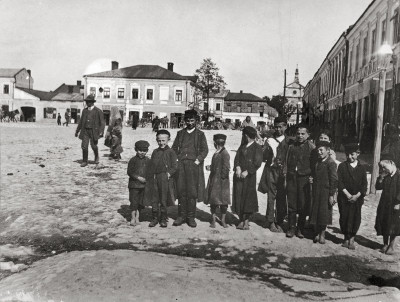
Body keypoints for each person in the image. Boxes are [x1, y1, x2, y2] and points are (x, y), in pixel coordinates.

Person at [171, 109, 209, 227]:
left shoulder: (200, 134)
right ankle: (181, 216)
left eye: (192, 120)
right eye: (187, 120)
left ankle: (191, 217)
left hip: (194, 166)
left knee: (192, 192)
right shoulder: (180, 134)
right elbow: (174, 148)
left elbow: (204, 150)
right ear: (184, 121)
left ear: (196, 121)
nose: (190, 122)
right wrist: (177, 159)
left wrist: (198, 160)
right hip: (181, 166)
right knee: (181, 190)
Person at [258, 116, 291, 232]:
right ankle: (270, 221)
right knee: (271, 196)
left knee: (282, 197)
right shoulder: (269, 140)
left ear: (285, 127)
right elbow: (263, 158)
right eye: (276, 127)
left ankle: (279, 221)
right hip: (271, 171)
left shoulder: (289, 141)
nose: (278, 129)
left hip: (284, 173)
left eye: (280, 127)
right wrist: (265, 148)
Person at [284, 124, 315, 238]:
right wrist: (286, 174)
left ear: (307, 135)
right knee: (292, 203)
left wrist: (311, 176)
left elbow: (314, 164)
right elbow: (286, 162)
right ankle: (291, 227)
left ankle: (300, 229)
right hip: (292, 178)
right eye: (298, 134)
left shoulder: (311, 147)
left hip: (304, 179)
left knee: (303, 204)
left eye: (303, 134)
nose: (300, 136)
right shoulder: (291, 146)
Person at [337, 143, 368, 249]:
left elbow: (364, 185)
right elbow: (339, 182)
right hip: (344, 197)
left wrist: (357, 196)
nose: (349, 157)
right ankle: (346, 237)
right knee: (344, 216)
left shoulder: (362, 168)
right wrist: (347, 194)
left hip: (357, 199)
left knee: (355, 217)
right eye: (348, 155)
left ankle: (352, 239)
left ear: (358, 154)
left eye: (352, 154)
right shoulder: (342, 166)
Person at [232, 127, 263, 230]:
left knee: (248, 198)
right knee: (239, 196)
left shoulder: (257, 147)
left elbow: (257, 162)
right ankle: (240, 219)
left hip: (249, 177)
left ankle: (246, 220)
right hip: (239, 176)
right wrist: (237, 167)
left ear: (246, 136)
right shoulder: (242, 147)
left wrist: (248, 171)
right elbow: (237, 158)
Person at [309, 141, 338, 244]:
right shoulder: (317, 162)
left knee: (324, 213)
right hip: (317, 190)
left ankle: (322, 233)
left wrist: (331, 194)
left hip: (326, 191)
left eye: (321, 150)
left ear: (328, 151)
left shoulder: (331, 163)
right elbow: (315, 174)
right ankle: (316, 232)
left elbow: (334, 180)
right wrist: (312, 179)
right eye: (318, 150)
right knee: (316, 211)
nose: (319, 152)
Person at [149, 130, 177, 228]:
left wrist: (169, 173)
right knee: (155, 198)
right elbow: (152, 164)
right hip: (155, 177)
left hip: (164, 177)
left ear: (168, 140)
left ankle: (163, 218)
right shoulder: (155, 151)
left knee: (163, 198)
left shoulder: (171, 152)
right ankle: (155, 218)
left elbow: (174, 166)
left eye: (163, 140)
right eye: (159, 140)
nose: (161, 143)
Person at [375, 159, 400, 255]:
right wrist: (381, 177)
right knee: (384, 222)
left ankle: (391, 246)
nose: (383, 169)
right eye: (382, 167)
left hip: (395, 204)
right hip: (384, 203)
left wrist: (398, 203)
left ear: (392, 164)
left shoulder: (398, 175)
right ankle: (385, 243)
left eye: (384, 167)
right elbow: (378, 187)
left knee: (393, 225)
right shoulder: (386, 175)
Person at [205, 134, 231, 228]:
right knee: (214, 201)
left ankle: (223, 220)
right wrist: (211, 168)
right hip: (215, 179)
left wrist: (222, 178)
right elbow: (217, 165)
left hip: (221, 181)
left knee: (223, 201)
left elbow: (226, 167)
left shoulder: (225, 153)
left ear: (215, 143)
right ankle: (213, 220)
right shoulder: (217, 152)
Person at [75, 95, 105, 167]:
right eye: (86, 102)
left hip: (94, 131)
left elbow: (102, 123)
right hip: (85, 131)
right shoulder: (84, 111)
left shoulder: (98, 111)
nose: (87, 103)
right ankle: (85, 161)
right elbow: (81, 121)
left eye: (89, 102)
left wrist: (101, 132)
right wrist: (77, 131)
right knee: (84, 146)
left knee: (94, 146)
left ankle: (96, 156)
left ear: (92, 102)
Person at [127, 140, 153, 226]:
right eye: (140, 150)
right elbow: (129, 172)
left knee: (140, 203)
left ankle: (138, 217)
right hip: (134, 185)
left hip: (143, 186)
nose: (142, 152)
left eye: (144, 151)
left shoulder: (148, 161)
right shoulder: (133, 160)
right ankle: (132, 218)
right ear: (136, 150)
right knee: (133, 201)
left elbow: (150, 172)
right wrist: (138, 178)